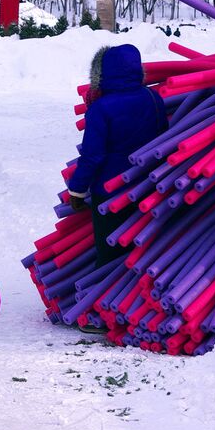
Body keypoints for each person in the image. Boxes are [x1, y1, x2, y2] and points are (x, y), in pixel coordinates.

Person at [67, 45, 167, 268]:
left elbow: (92, 156)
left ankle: (102, 297)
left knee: (109, 257)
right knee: (142, 252)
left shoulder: (100, 108)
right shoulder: (153, 98)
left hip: (110, 194)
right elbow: (163, 139)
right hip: (146, 189)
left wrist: (77, 190)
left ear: (101, 73)